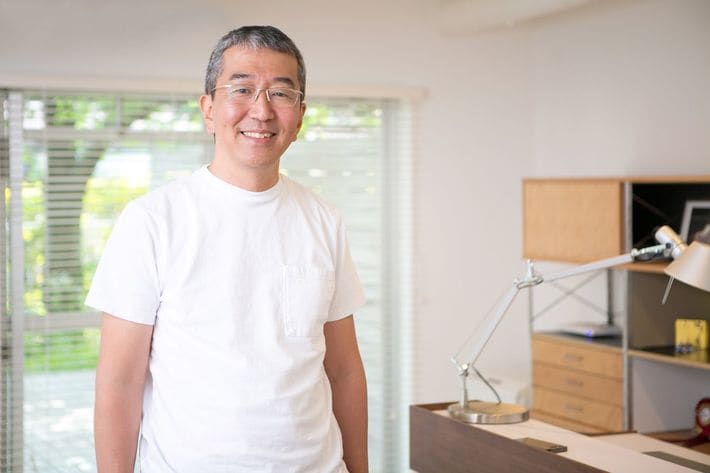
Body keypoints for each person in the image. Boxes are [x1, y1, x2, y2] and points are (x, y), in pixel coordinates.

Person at [88, 25, 368, 473]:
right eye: (242, 89)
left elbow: (345, 370)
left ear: (299, 116)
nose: (262, 110)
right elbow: (120, 383)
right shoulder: (152, 221)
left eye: (281, 93)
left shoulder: (323, 220)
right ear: (209, 110)